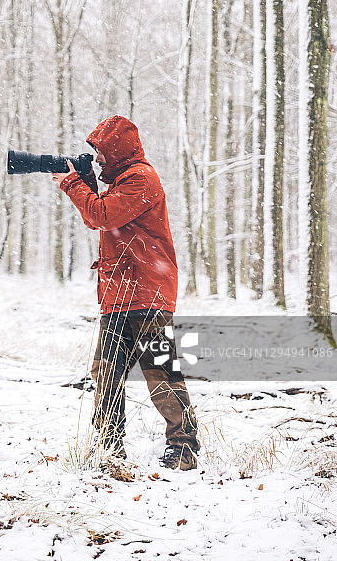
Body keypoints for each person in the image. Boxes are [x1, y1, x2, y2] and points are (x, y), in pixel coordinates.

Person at [51, 115, 200, 471]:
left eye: (101, 150)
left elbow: (102, 215)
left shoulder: (141, 178)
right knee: (106, 372)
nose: (97, 158)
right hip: (120, 294)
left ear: (118, 149)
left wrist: (73, 184)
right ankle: (107, 448)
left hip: (147, 294)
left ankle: (184, 449)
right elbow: (96, 217)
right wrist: (81, 185)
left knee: (161, 373)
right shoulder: (120, 181)